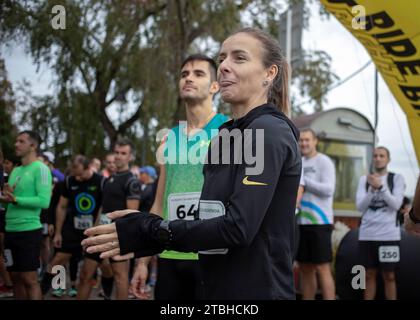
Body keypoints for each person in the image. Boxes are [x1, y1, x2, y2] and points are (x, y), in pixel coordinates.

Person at [82, 27, 301, 300]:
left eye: (239, 58)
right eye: (222, 58)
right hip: (210, 284)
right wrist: (146, 224)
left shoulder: (267, 131)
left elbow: (237, 228)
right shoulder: (227, 136)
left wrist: (150, 231)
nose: (224, 67)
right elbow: (210, 214)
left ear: (270, 73)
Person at [77, 139, 141, 300]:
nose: (119, 156)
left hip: (117, 236)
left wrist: (124, 240)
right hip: (100, 234)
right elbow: (102, 208)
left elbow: (131, 215)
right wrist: (92, 232)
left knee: (120, 278)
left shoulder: (132, 181)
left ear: (130, 157)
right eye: (117, 152)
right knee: (85, 275)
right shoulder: (106, 180)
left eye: (123, 153)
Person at [40, 155, 105, 298]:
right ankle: (41, 292)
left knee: (88, 274)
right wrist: (58, 232)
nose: (78, 178)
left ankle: (106, 287)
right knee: (56, 262)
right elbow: (61, 207)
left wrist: (94, 231)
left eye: (80, 175)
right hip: (72, 229)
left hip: (93, 230)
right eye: (75, 175)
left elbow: (102, 208)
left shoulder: (100, 181)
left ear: (89, 168)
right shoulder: (69, 181)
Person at [0, 131, 52, 300]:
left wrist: (15, 199)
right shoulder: (16, 171)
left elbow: (44, 201)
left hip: (28, 230)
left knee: (30, 280)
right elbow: (12, 200)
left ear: (33, 146)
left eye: (21, 141)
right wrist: (6, 198)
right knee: (15, 278)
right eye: (16, 141)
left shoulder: (41, 168)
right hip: (10, 230)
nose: (16, 144)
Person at [356, 146, 405, 300]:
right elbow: (360, 207)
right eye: (375, 155)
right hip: (367, 235)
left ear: (388, 159)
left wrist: (381, 187)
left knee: (389, 276)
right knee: (368, 275)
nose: (378, 158)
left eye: (382, 156)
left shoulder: (396, 178)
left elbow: (396, 205)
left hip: (389, 235)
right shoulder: (364, 179)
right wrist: (372, 189)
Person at [296, 129, 336, 300]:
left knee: (322, 268)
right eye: (301, 140)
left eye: (307, 140)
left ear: (315, 141)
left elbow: (328, 190)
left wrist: (304, 179)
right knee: (305, 268)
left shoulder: (324, 161)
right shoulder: (299, 162)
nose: (304, 143)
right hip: (301, 221)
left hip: (321, 222)